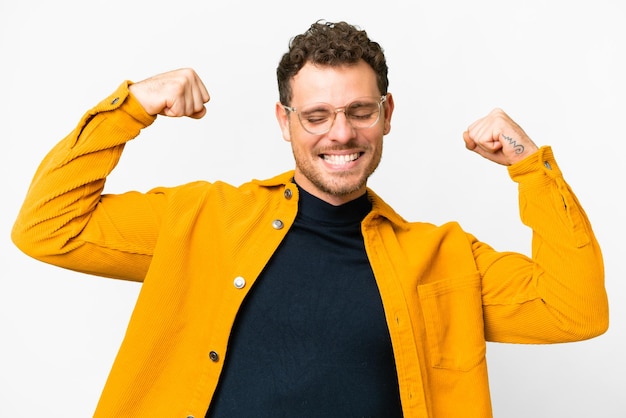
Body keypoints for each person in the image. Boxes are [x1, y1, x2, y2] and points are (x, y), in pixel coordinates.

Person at [11, 20, 608, 418]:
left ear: (387, 113)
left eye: (358, 111)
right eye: (317, 115)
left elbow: (574, 309)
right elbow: (46, 227)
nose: (341, 133)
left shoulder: (443, 257)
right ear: (284, 120)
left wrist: (531, 167)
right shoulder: (201, 220)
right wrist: (131, 106)